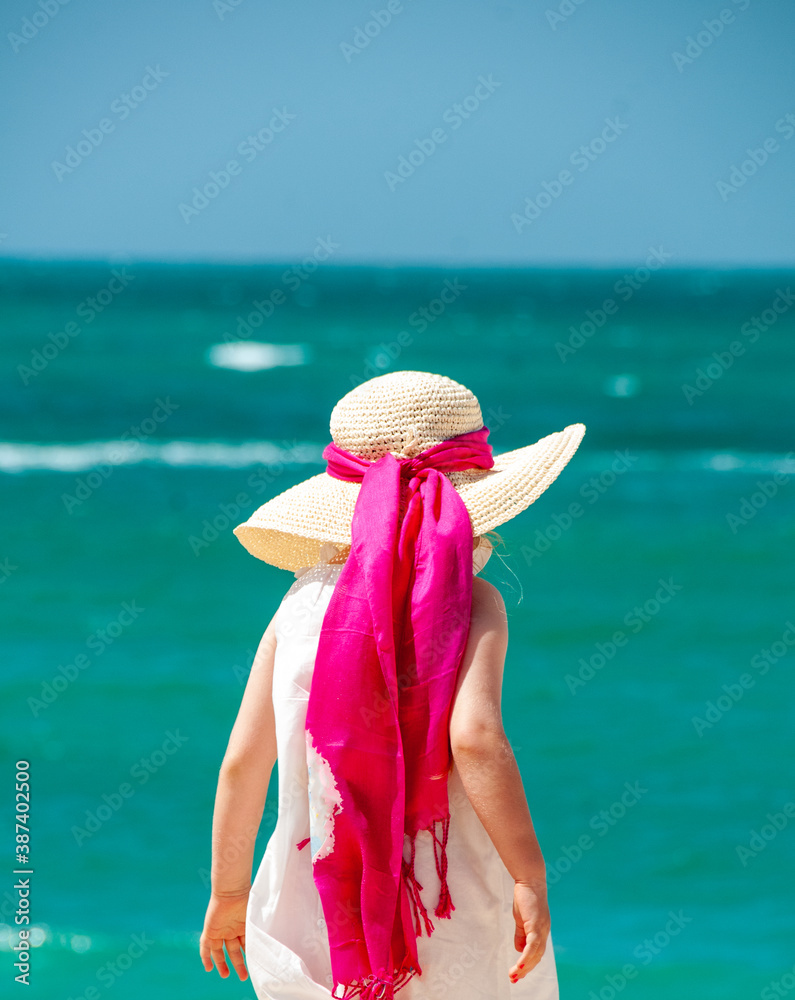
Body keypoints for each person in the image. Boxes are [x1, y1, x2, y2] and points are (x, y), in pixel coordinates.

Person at [200, 370, 585, 999]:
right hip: (444, 897)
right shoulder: (476, 602)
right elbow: (477, 738)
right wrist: (528, 875)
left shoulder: (297, 605)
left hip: (313, 889)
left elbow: (243, 763)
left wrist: (229, 892)